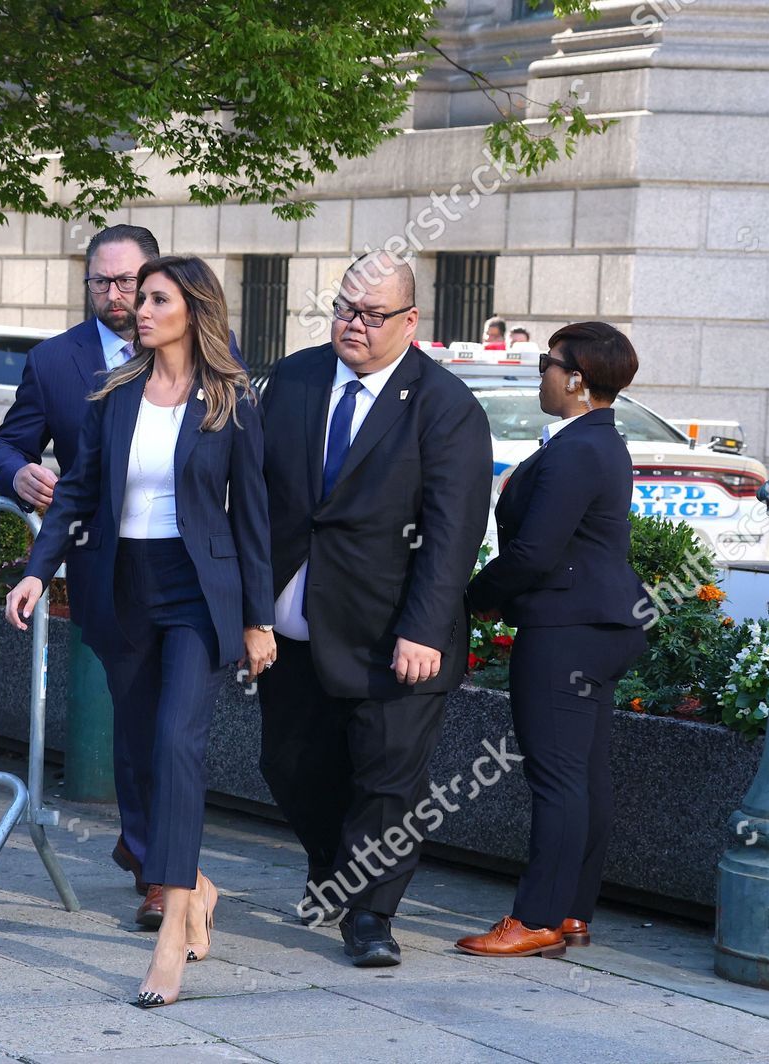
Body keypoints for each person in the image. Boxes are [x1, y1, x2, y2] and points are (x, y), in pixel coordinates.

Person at [4, 256, 274, 1008]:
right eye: (138, 297)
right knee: (142, 753)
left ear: (192, 309)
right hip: (126, 588)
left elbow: (253, 517)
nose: (138, 309)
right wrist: (38, 569)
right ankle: (196, 888)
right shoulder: (116, 394)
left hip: (198, 592)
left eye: (155, 298)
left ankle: (169, 938)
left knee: (178, 745)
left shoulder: (230, 398)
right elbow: (79, 491)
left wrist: (258, 618)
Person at [256, 251, 492, 967]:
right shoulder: (294, 377)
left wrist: (422, 628)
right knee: (288, 767)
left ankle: (370, 917)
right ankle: (334, 869)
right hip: (295, 628)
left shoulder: (445, 407)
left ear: (411, 321)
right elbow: (261, 496)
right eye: (343, 308)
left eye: (370, 314)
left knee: (388, 782)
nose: (351, 324)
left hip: (396, 636)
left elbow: (453, 534)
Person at [0, 224, 165, 918]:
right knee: (140, 715)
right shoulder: (57, 361)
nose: (115, 295)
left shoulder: (200, 347)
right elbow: (3, 446)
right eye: (101, 281)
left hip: (189, 570)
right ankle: (153, 859)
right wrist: (19, 473)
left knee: (172, 722)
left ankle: (157, 863)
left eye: (128, 282)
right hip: (104, 569)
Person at [456, 322, 648, 958]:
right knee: (584, 775)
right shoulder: (595, 441)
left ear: (575, 378)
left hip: (568, 629)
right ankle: (570, 913)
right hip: (597, 625)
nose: (539, 372)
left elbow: (536, 551)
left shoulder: (577, 449)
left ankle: (536, 918)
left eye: (546, 362)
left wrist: (473, 598)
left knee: (558, 778)